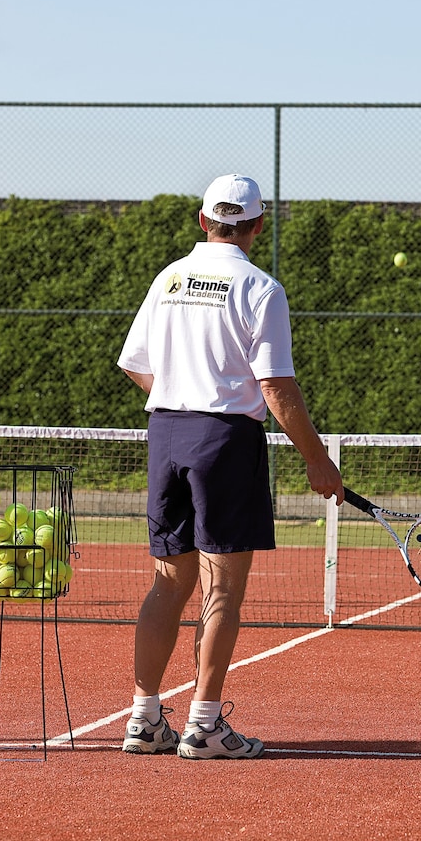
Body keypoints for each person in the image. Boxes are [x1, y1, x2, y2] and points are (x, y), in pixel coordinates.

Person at [117, 173, 344, 760]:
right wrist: (319, 463)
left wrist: (182, 392)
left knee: (168, 583)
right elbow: (276, 386)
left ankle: (143, 721)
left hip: (165, 433)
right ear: (259, 226)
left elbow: (133, 363)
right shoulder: (262, 288)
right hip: (225, 441)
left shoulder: (168, 278)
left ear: (202, 221)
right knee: (224, 589)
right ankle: (205, 726)